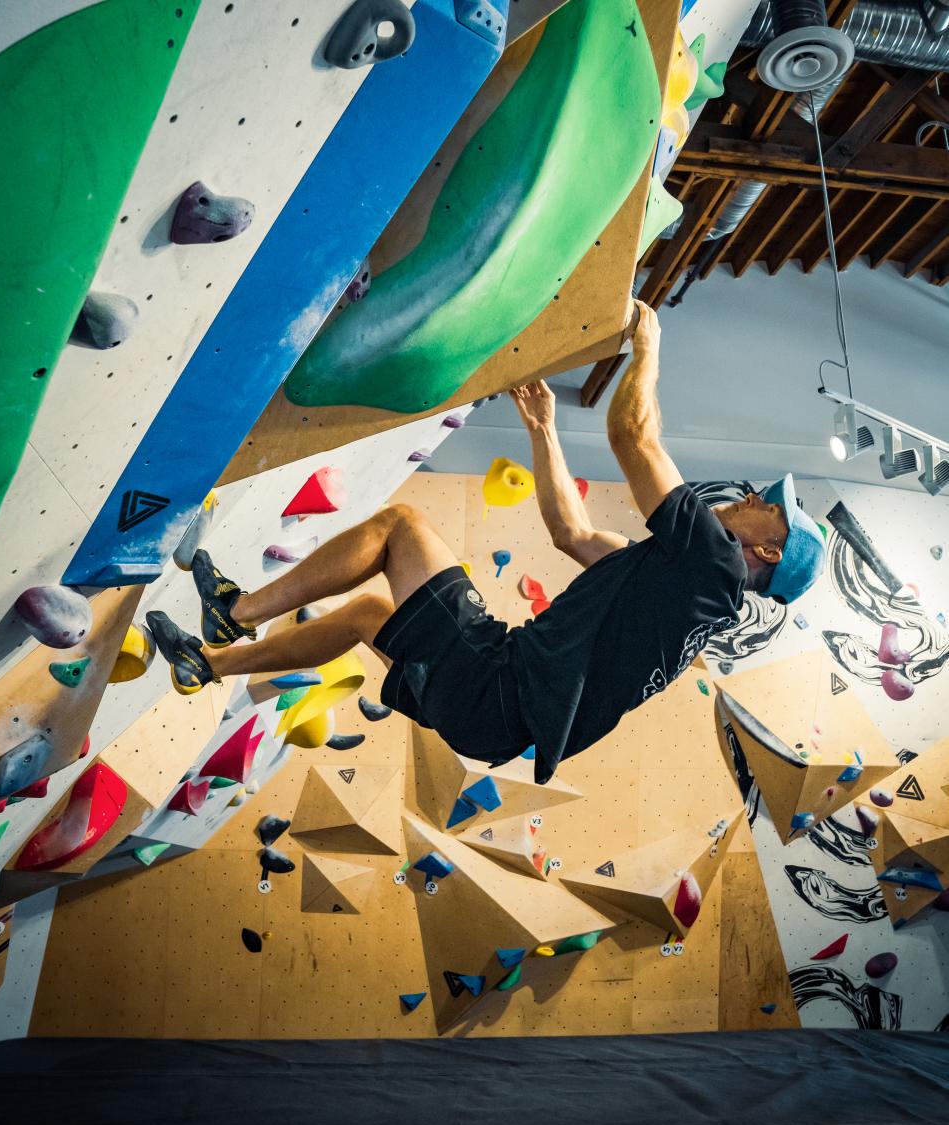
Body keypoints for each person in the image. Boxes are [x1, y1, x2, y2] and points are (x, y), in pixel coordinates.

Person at [147, 301, 825, 784]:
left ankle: (232, 614)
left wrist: (646, 351)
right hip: (494, 712)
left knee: (401, 528)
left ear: (767, 553)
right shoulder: (679, 596)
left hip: (496, 686)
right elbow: (572, 533)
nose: (758, 498)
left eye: (773, 511)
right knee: (364, 617)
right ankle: (208, 663)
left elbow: (634, 439)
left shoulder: (707, 564)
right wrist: (542, 430)